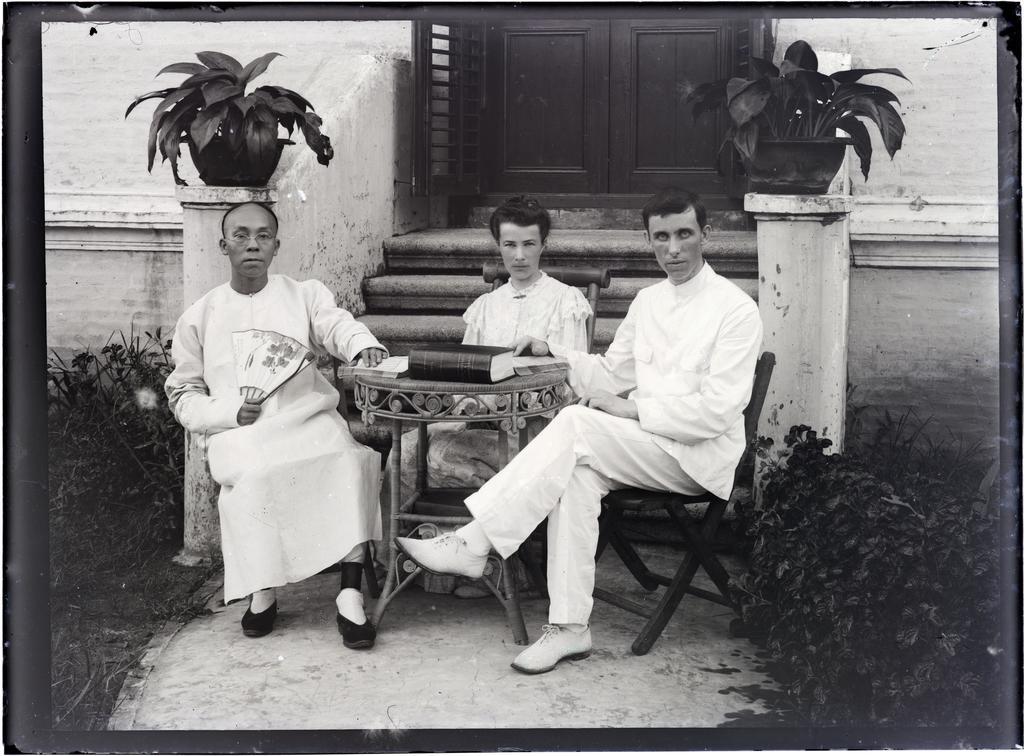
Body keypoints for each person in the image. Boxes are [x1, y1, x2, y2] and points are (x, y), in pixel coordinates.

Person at [396, 188, 763, 673]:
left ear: (705, 235)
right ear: (649, 240)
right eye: (660, 237)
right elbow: (612, 374)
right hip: (646, 448)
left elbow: (718, 412)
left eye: (684, 235)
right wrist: (552, 350)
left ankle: (473, 540)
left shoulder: (736, 309)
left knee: (575, 424)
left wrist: (632, 411)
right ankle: (570, 628)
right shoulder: (649, 301)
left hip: (696, 457)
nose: (672, 249)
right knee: (575, 475)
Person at [165, 201, 387, 650]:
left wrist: (362, 346)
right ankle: (262, 590)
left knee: (346, 460)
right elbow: (183, 393)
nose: (252, 244)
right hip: (240, 432)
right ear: (223, 244)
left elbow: (337, 325)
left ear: (276, 245)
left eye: (263, 235)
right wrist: (227, 412)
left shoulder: (303, 294)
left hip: (306, 418)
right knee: (257, 476)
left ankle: (348, 592)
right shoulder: (200, 315)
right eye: (242, 235)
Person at [389, 195, 592, 596]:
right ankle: (413, 565)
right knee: (406, 450)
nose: (519, 256)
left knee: (471, 454)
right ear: (498, 246)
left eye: (529, 244)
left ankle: (497, 570)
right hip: (480, 420)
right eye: (509, 245)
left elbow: (571, 379)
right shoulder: (485, 307)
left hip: (539, 426)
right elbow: (465, 373)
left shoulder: (565, 301)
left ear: (544, 244)